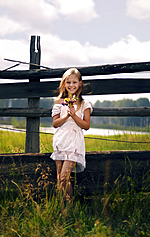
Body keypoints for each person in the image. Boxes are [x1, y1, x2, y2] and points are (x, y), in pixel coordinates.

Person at [50, 68, 92, 204]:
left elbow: (86, 125)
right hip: (60, 139)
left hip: (74, 141)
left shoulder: (84, 103)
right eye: (68, 82)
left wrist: (74, 115)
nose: (71, 85)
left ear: (80, 83)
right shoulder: (59, 102)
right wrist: (66, 115)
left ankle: (69, 206)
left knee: (64, 177)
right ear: (64, 84)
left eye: (74, 82)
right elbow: (55, 123)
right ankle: (61, 206)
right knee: (59, 177)